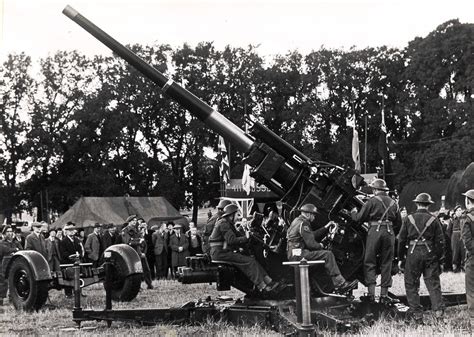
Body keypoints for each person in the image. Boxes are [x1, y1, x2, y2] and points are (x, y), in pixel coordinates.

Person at [287, 204, 358, 295]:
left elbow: (310, 235)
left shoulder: (297, 221)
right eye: (313, 215)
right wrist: (321, 245)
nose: (314, 217)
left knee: (322, 255)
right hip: (299, 255)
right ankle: (340, 284)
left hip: (295, 254)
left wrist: (326, 227)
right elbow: (311, 244)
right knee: (328, 254)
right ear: (308, 214)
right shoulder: (303, 224)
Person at [209, 204, 281, 294]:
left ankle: (269, 281)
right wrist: (246, 238)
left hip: (222, 252)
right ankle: (263, 286)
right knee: (249, 261)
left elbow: (238, 235)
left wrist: (248, 235)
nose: (238, 218)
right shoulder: (223, 223)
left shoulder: (228, 223)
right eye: (237, 215)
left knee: (252, 259)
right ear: (231, 215)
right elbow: (231, 240)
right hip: (221, 253)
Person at [351, 178, 401, 303]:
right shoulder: (394, 203)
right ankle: (384, 295)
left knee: (370, 261)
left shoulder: (372, 201)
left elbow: (359, 219)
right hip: (389, 233)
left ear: (375, 189)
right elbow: (399, 223)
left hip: (375, 232)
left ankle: (371, 295)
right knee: (387, 263)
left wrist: (353, 213)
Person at [397, 193, 445, 322]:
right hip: (430, 254)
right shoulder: (434, 219)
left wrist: (400, 258)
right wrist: (440, 259)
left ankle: (417, 315)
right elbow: (440, 242)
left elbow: (401, 240)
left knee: (411, 284)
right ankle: (439, 314)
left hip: (413, 254)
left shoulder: (408, 219)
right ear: (428, 205)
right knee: (433, 284)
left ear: (417, 204)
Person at [59, 222, 85, 298]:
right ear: (66, 232)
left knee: (79, 277)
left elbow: (80, 249)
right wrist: (71, 256)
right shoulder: (63, 241)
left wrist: (79, 255)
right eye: (69, 230)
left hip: (77, 262)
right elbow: (63, 253)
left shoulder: (77, 240)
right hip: (67, 262)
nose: (71, 232)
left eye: (72, 230)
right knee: (68, 278)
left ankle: (79, 292)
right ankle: (68, 294)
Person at [461, 189, 474, 327]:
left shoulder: (467, 218)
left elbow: (467, 241)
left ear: (468, 201)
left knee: (471, 289)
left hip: (472, 258)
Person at [0, 226, 21, 307]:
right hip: (3, 266)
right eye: (8, 231)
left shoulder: (15, 242)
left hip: (14, 265)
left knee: (14, 281)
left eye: (11, 231)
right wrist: (15, 250)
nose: (10, 233)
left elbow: (21, 249)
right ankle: (1, 300)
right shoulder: (2, 243)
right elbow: (5, 250)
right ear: (4, 233)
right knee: (3, 283)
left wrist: (14, 250)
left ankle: (12, 299)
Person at [447, 205, 465, 272]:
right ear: (455, 212)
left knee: (463, 252)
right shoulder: (452, 220)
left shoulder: (464, 219)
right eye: (457, 210)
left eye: (460, 210)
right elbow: (448, 231)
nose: (458, 212)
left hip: (463, 237)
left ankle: (463, 267)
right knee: (455, 253)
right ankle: (455, 268)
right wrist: (453, 237)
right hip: (454, 238)